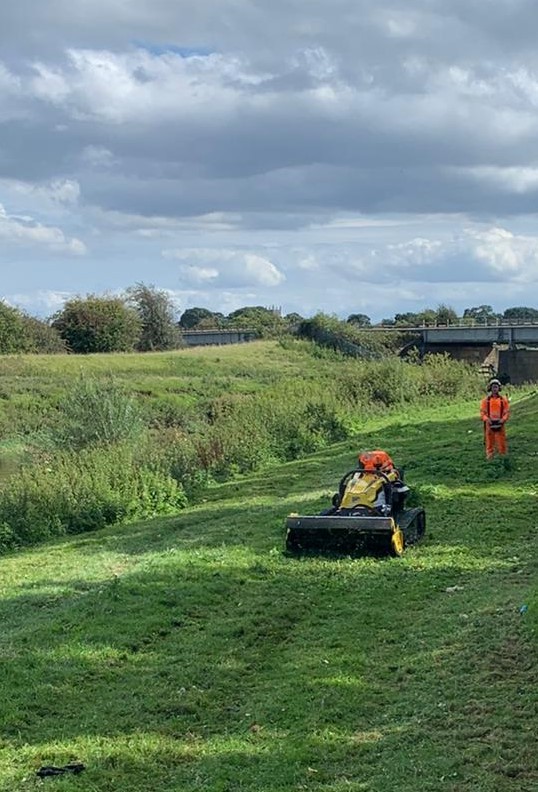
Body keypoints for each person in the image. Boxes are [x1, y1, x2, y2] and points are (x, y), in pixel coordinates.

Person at [480, 378, 510, 459]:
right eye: (493, 387)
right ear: (490, 388)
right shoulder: (485, 401)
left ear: (499, 388)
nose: (494, 389)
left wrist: (503, 419)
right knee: (490, 441)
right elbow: (482, 413)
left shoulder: (503, 400)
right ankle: (490, 457)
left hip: (500, 423)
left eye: (496, 387)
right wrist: (487, 419)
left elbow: (506, 412)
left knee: (501, 441)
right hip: (489, 423)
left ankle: (502, 457)